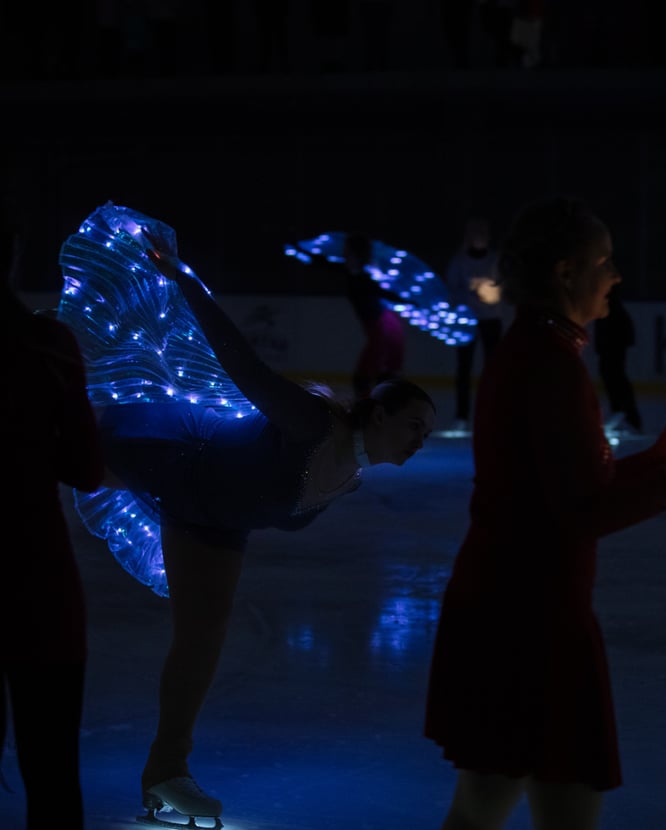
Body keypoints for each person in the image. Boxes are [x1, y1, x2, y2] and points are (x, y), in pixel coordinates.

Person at [55, 202, 436, 825]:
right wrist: (184, 280)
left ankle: (166, 771)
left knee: (203, 637)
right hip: (168, 452)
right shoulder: (313, 423)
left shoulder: (349, 477)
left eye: (427, 431)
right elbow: (242, 364)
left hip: (212, 519)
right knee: (44, 451)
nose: (421, 439)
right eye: (414, 425)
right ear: (379, 413)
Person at [423, 194, 666, 830]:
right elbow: (580, 511)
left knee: (514, 799)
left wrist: (664, 455)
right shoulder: (549, 366)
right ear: (566, 272)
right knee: (517, 800)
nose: (617, 276)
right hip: (530, 620)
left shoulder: (537, 351)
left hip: (515, 606)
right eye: (605, 262)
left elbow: (566, 485)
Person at [1, 210, 104, 830]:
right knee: (52, 770)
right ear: (12, 257)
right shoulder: (48, 346)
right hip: (35, 577)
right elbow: (86, 468)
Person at [307, 231, 406, 400]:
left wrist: (405, 300)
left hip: (379, 323)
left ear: (357, 254)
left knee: (371, 369)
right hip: (376, 323)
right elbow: (325, 263)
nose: (344, 254)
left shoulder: (366, 276)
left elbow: (381, 292)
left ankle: (374, 402)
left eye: (348, 251)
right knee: (373, 369)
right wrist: (302, 250)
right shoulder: (352, 272)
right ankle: (374, 399)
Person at [443, 216, 504, 434]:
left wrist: (489, 292)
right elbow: (451, 291)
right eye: (475, 233)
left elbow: (502, 289)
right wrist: (471, 293)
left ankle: (493, 413)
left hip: (491, 320)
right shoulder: (459, 261)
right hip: (466, 321)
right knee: (464, 369)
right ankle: (462, 416)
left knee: (493, 369)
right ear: (469, 237)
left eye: (482, 233)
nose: (479, 237)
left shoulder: (495, 260)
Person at [593, 288, 644, 435]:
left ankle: (627, 418)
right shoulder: (613, 312)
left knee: (617, 384)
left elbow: (627, 336)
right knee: (616, 384)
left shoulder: (614, 313)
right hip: (610, 354)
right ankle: (624, 418)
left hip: (612, 355)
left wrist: (607, 346)